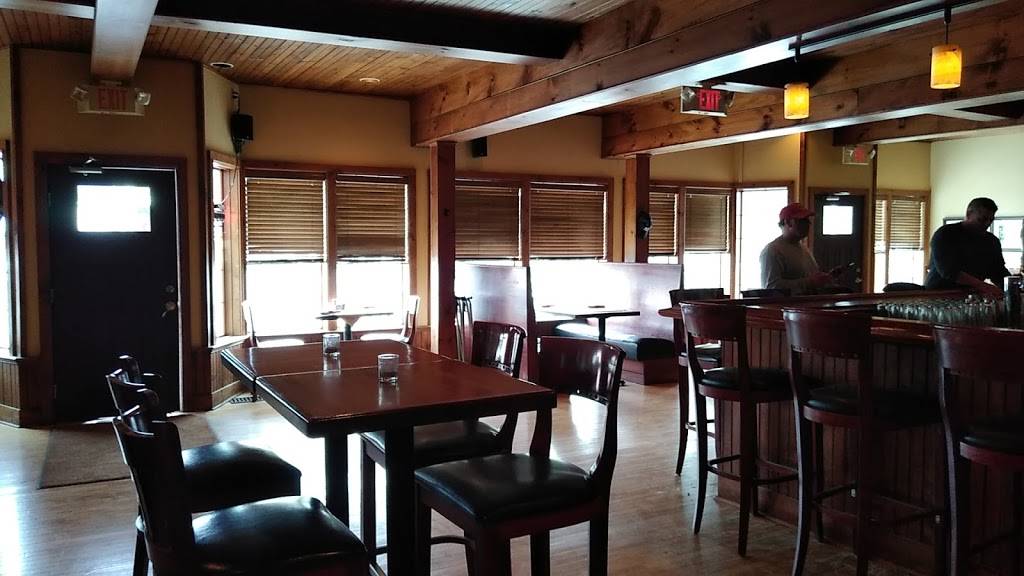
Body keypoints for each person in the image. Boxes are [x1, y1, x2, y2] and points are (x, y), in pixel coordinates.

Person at [925, 197, 1008, 299]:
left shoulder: (992, 241)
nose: (987, 224)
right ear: (968, 214)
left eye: (990, 220)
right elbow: (949, 272)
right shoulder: (945, 234)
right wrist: (984, 286)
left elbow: (998, 272)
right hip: (939, 295)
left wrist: (1013, 285)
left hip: (971, 296)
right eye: (982, 219)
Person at [759, 203, 837, 295]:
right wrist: (810, 282)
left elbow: (811, 278)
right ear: (788, 222)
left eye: (807, 220)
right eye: (802, 220)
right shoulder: (773, 251)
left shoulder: (804, 249)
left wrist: (823, 279)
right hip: (788, 305)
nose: (808, 224)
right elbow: (771, 288)